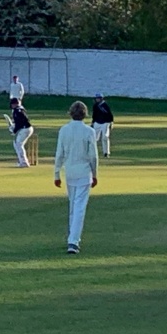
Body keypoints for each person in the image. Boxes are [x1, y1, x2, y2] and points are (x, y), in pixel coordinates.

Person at [54, 100, 99, 255]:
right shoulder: (89, 131)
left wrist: (56, 173)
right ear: (85, 114)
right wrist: (95, 174)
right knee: (78, 207)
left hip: (70, 172)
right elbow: (93, 156)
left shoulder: (64, 130)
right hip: (83, 173)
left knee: (74, 206)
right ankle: (73, 241)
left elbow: (59, 154)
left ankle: (72, 238)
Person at [8, 97, 34, 168]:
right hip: (27, 128)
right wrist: (14, 127)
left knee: (19, 144)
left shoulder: (17, 111)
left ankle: (24, 162)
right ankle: (21, 161)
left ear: (14, 104)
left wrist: (14, 130)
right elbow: (19, 122)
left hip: (25, 129)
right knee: (16, 144)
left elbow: (20, 123)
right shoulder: (20, 109)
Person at [91, 93, 115, 158]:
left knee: (105, 137)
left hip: (105, 122)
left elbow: (110, 114)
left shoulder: (105, 105)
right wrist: (93, 122)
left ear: (101, 99)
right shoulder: (95, 105)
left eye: (98, 98)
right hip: (97, 122)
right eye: (96, 98)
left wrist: (111, 122)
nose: (97, 99)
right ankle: (93, 153)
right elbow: (94, 115)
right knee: (94, 138)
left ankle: (106, 152)